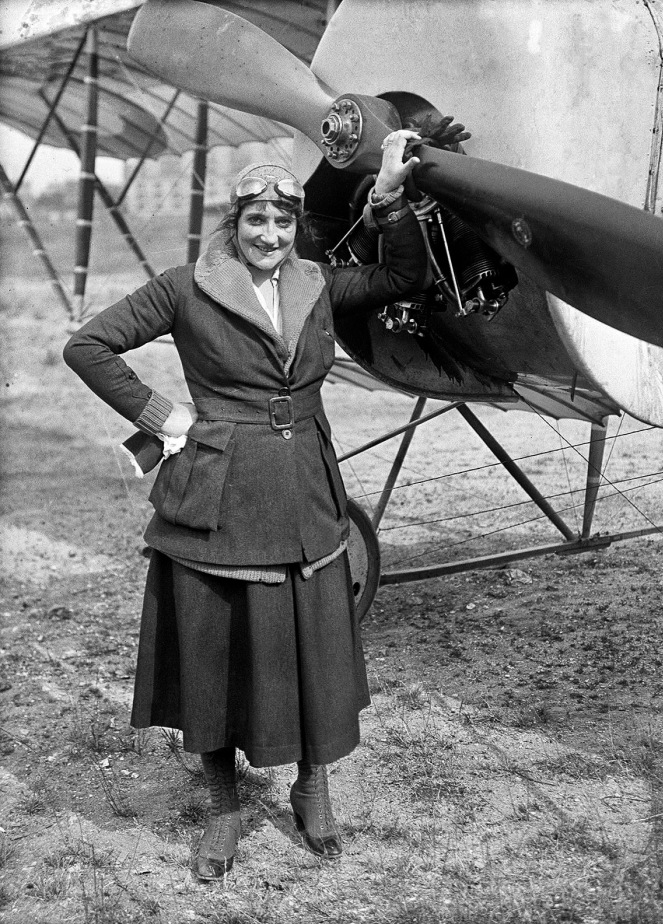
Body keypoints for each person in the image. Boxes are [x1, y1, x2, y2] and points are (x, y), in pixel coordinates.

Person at [63, 129, 426, 879]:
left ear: (295, 228)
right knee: (214, 654)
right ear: (234, 224)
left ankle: (311, 785)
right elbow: (89, 346)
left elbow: (401, 279)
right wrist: (162, 415)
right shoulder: (185, 285)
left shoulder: (318, 283)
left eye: (283, 222)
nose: (269, 235)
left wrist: (387, 194)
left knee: (314, 646)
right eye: (256, 222)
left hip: (306, 495)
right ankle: (225, 806)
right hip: (220, 498)